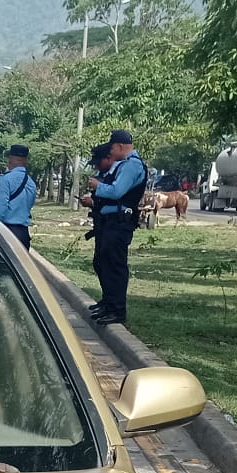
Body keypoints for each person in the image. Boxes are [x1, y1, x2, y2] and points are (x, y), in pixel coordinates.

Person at [79, 128, 146, 326]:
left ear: (119, 147)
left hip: (119, 222)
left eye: (112, 148)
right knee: (103, 263)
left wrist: (97, 186)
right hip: (110, 222)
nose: (111, 153)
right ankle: (108, 304)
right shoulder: (124, 165)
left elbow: (117, 191)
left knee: (114, 266)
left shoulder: (132, 165)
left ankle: (117, 309)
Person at [0, 143, 36, 248]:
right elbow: (30, 204)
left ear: (10, 160)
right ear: (26, 160)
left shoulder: (5, 180)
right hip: (23, 234)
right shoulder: (31, 182)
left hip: (7, 233)